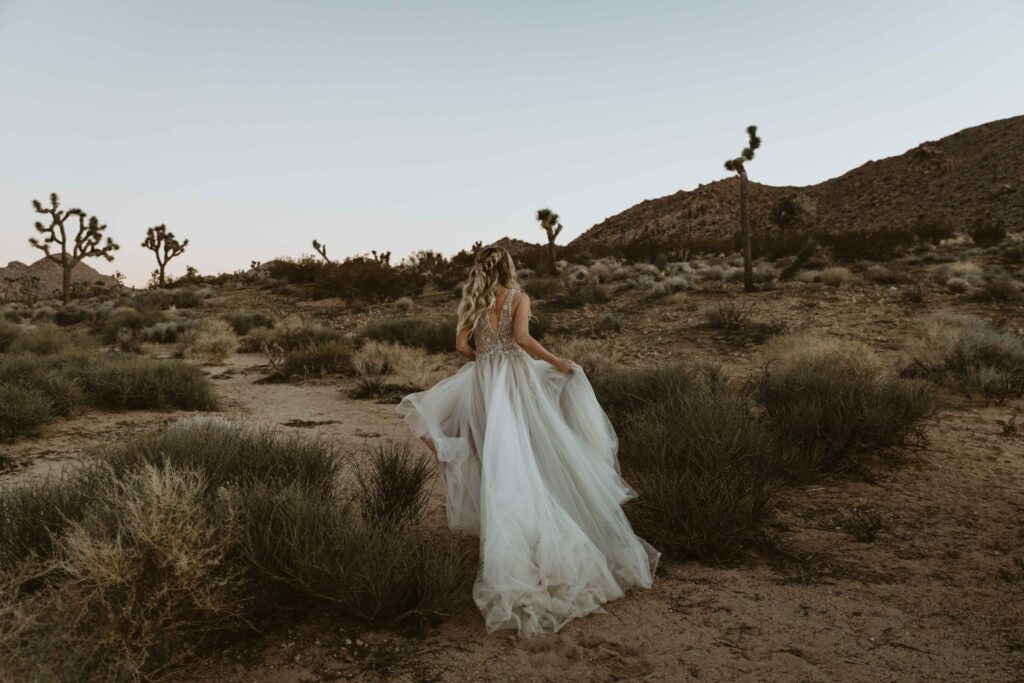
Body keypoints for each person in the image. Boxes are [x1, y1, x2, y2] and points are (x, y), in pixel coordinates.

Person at [397, 245, 659, 638]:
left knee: (498, 455)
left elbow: (461, 347)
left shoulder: (472, 301)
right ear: (508, 267)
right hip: (515, 382)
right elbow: (521, 338)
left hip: (485, 383)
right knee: (526, 452)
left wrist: (485, 360)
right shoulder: (518, 298)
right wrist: (557, 363)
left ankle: (506, 532)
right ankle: (533, 539)